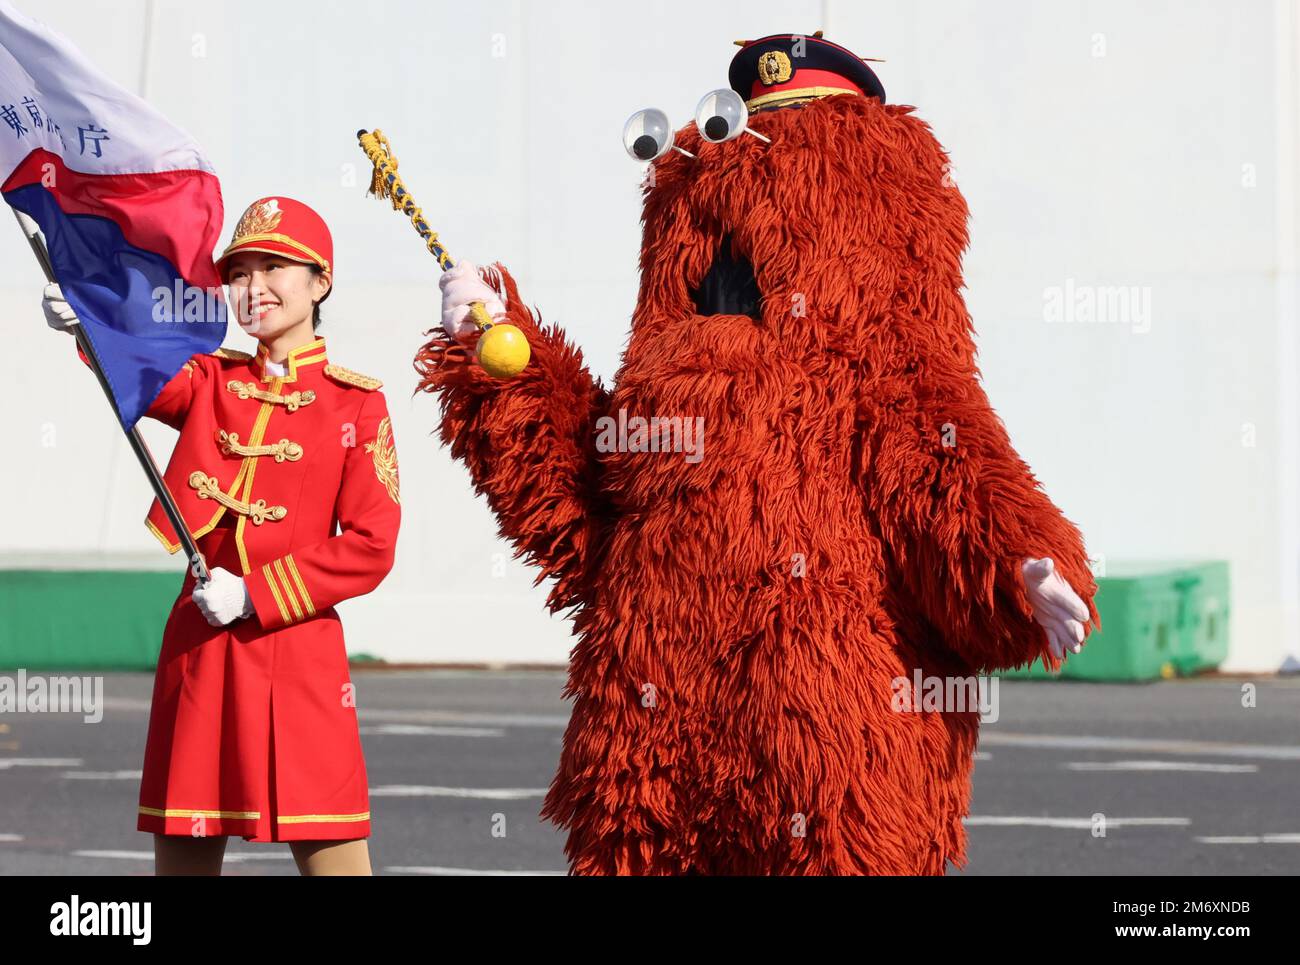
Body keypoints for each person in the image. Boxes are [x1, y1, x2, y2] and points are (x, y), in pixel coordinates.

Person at [43, 196, 401, 875]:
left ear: (320, 281)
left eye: (273, 268)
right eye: (239, 272)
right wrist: (89, 324)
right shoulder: (214, 379)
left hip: (297, 650)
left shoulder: (357, 403)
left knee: (331, 847)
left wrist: (258, 593)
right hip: (201, 645)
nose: (253, 287)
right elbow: (143, 376)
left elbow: (371, 543)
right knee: (184, 847)